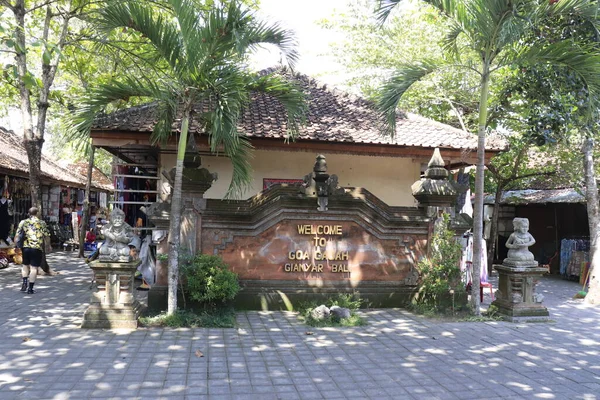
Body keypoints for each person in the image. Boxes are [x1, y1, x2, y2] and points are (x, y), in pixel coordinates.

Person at [14, 207, 50, 294]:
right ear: (37, 213)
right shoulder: (41, 223)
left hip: (25, 247)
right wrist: (48, 245)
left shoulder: (23, 222)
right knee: (34, 268)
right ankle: (30, 288)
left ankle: (24, 283)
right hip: (36, 248)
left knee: (25, 266)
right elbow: (47, 235)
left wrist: (16, 246)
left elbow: (17, 235)